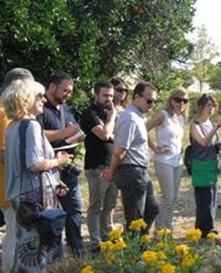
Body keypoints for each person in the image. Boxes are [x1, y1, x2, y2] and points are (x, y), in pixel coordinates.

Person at [3, 79, 72, 273]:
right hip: (35, 200)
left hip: (20, 197)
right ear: (26, 99)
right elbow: (35, 164)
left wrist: (55, 181)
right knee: (37, 256)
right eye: (39, 96)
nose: (43, 99)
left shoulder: (12, 126)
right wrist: (58, 163)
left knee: (23, 252)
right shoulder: (31, 125)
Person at [0, 68, 34, 273]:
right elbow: (1, 154)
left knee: (13, 235)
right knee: (14, 237)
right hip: (11, 186)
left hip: (6, 185)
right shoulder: (3, 113)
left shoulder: (0, 109)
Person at [102, 81, 159, 236]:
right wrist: (111, 172)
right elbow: (119, 151)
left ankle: (140, 245)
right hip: (130, 171)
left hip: (140, 171)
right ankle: (132, 255)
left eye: (154, 101)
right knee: (135, 218)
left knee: (152, 208)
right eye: (149, 100)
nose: (152, 104)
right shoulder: (130, 119)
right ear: (137, 97)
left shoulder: (139, 117)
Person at [37, 72, 85, 256]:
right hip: (49, 167)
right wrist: (63, 133)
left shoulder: (66, 108)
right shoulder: (41, 108)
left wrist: (76, 135)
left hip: (68, 166)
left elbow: (71, 129)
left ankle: (77, 248)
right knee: (50, 212)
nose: (67, 94)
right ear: (51, 87)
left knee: (75, 208)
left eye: (70, 92)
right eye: (65, 90)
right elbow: (37, 134)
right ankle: (52, 253)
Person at [80, 81, 119, 253]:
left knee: (110, 205)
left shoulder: (108, 113)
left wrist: (110, 129)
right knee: (96, 205)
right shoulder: (90, 113)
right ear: (96, 95)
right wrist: (111, 119)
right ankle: (95, 243)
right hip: (97, 166)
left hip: (113, 165)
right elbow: (104, 135)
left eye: (111, 95)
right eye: (105, 95)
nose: (109, 99)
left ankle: (107, 237)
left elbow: (116, 137)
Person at [146, 88, 189, 232]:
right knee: (168, 197)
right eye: (178, 100)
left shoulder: (181, 118)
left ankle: (168, 229)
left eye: (185, 100)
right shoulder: (162, 115)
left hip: (178, 161)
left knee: (174, 198)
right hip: (163, 160)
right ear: (171, 100)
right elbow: (143, 129)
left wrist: (181, 149)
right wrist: (155, 148)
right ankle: (159, 231)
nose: (181, 103)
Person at [190, 94, 221, 238]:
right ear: (201, 107)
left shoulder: (211, 124)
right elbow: (203, 142)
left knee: (212, 197)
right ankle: (202, 229)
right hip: (201, 166)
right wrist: (217, 127)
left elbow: (212, 143)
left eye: (213, 106)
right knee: (203, 199)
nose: (211, 109)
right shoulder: (195, 125)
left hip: (212, 164)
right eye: (208, 105)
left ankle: (210, 227)